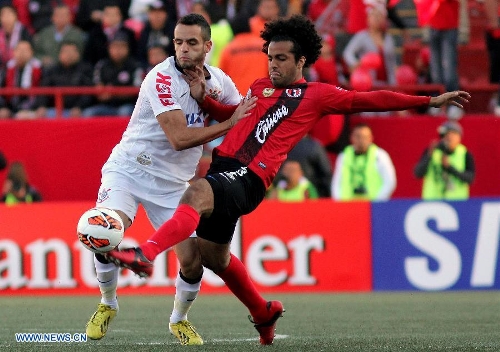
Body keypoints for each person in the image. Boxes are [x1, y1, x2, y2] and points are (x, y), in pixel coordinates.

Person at [105, 15, 470, 345]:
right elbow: (237, 116)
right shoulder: (261, 86)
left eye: (281, 59)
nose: (273, 64)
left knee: (195, 192)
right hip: (224, 169)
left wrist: (429, 100)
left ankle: (146, 253)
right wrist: (206, 101)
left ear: (300, 61)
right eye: (270, 57)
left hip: (250, 177)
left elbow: (369, 98)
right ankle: (264, 313)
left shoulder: (316, 95)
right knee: (213, 257)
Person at [82, 13, 245, 345]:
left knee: (193, 259)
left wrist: (222, 108)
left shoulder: (220, 82)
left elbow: (243, 116)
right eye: (178, 42)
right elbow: (180, 138)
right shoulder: (160, 78)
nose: (183, 49)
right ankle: (107, 303)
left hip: (173, 183)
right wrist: (229, 124)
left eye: (192, 43)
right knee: (104, 228)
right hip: (129, 169)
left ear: (208, 45)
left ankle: (178, 320)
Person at [82, 33, 143, 118]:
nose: (118, 50)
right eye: (114, 47)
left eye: (122, 46)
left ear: (128, 48)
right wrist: (102, 93)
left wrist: (114, 93)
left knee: (124, 112)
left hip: (127, 104)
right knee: (88, 113)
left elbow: (137, 90)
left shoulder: (135, 66)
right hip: (106, 105)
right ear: (109, 48)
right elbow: (97, 86)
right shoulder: (102, 65)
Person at [331, 123, 396, 201]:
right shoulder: (344, 156)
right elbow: (337, 181)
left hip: (373, 205)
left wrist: (378, 202)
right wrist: (339, 201)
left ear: (371, 138)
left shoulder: (380, 155)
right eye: (358, 137)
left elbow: (390, 181)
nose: (361, 140)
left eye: (365, 137)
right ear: (352, 138)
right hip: (347, 204)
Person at [413, 120, 475, 200]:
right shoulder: (432, 151)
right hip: (432, 201)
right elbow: (417, 173)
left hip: (458, 202)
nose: (448, 138)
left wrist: (450, 168)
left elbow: (470, 178)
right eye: (445, 135)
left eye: (452, 135)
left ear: (459, 137)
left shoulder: (465, 154)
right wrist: (429, 155)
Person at [35, 40, 93, 118]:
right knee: (41, 114)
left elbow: (87, 93)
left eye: (71, 52)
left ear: (78, 54)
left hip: (80, 109)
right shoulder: (52, 70)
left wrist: (79, 107)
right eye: (65, 51)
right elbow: (44, 90)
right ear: (59, 54)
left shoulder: (86, 70)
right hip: (55, 109)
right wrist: (42, 106)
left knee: (89, 114)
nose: (68, 55)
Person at [33, 4, 85, 68]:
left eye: (64, 15)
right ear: (52, 17)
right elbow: (36, 53)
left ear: (70, 17)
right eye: (58, 15)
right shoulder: (44, 33)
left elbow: (81, 55)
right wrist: (43, 59)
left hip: (70, 69)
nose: (61, 18)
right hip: (47, 70)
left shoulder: (76, 34)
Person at [0, 40, 42, 119]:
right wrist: (3, 108)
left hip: (33, 108)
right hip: (11, 108)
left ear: (31, 52)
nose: (22, 53)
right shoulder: (6, 69)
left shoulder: (39, 70)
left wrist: (37, 107)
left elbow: (43, 93)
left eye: (25, 50)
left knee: (43, 113)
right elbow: (2, 93)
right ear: (13, 52)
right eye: (19, 50)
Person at [136, 1, 176, 69]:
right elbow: (140, 54)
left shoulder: (173, 31)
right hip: (148, 68)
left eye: (160, 12)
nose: (157, 16)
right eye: (153, 13)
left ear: (166, 14)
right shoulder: (145, 31)